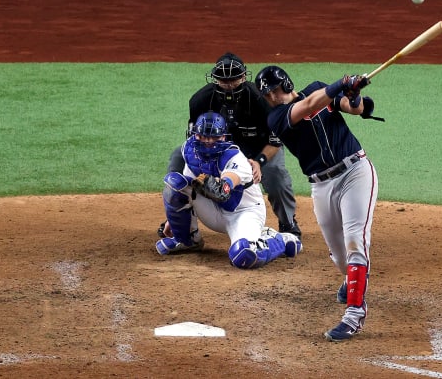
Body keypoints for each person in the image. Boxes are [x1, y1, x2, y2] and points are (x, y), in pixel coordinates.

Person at [255, 65, 382, 341]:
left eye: (275, 90)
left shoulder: (316, 87)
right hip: (321, 185)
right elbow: (310, 105)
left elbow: (355, 109)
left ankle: (354, 315)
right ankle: (352, 280)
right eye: (269, 95)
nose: (274, 97)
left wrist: (354, 93)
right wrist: (341, 83)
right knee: (339, 256)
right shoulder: (277, 118)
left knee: (355, 243)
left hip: (355, 172)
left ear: (286, 84)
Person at [163, 52, 301, 238]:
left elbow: (275, 140)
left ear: (244, 76)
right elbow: (195, 139)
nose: (228, 85)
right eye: (223, 80)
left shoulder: (261, 100)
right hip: (217, 150)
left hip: (259, 148)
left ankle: (288, 222)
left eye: (234, 79)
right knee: (178, 158)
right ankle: (178, 219)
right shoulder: (200, 100)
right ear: (215, 79)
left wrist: (259, 161)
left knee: (276, 173)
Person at [155, 111, 302, 269]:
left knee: (244, 255)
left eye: (214, 137)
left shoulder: (235, 158)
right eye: (203, 136)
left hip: (243, 212)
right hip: (212, 210)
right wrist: (176, 219)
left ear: (224, 137)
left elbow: (222, 190)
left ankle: (280, 240)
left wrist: (218, 182)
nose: (208, 142)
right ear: (195, 134)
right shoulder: (189, 150)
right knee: (175, 184)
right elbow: (188, 187)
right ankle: (187, 240)